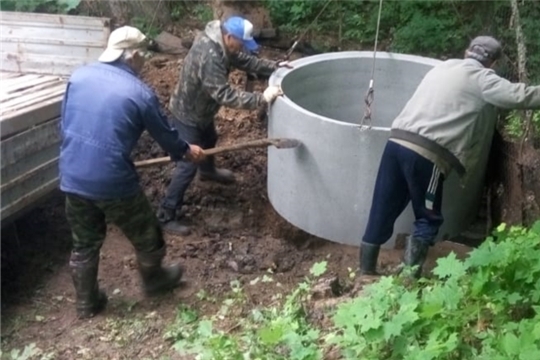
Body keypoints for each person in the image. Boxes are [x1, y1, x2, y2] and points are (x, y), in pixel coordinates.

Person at [358, 36, 540, 279]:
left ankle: (366, 270)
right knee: (428, 217)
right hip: (427, 153)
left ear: (467, 52)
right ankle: (409, 277)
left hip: (396, 143)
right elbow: (519, 96)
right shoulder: (483, 78)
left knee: (382, 207)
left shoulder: (443, 67)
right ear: (493, 63)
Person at [59, 26, 206, 319]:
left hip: (71, 173)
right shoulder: (139, 93)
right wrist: (186, 151)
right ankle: (155, 281)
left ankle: (86, 303)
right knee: (147, 234)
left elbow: (65, 124)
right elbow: (165, 136)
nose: (145, 63)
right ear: (134, 55)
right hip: (113, 181)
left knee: (84, 241)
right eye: (144, 57)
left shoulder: (78, 77)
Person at [157, 16, 290, 235]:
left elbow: (244, 61)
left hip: (202, 110)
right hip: (187, 113)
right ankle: (166, 214)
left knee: (209, 140)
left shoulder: (222, 43)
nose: (242, 49)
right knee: (188, 163)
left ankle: (207, 171)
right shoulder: (210, 55)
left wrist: (274, 67)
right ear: (229, 37)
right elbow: (223, 94)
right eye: (241, 43)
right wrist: (261, 99)